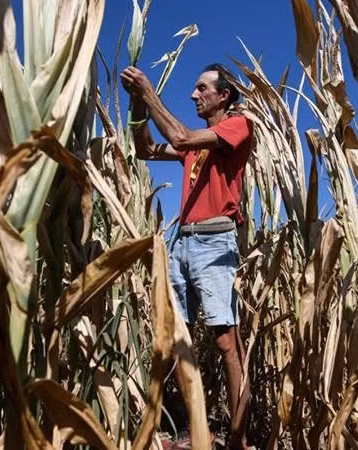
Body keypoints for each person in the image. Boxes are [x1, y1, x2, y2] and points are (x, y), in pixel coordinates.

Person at [121, 63, 252, 449]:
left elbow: (179, 136)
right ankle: (195, 431)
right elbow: (145, 148)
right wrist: (138, 108)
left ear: (222, 95)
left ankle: (238, 439)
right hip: (182, 243)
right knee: (179, 339)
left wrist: (148, 92)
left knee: (227, 342)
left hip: (215, 243)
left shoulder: (237, 125)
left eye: (201, 88)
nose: (194, 94)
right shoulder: (192, 152)